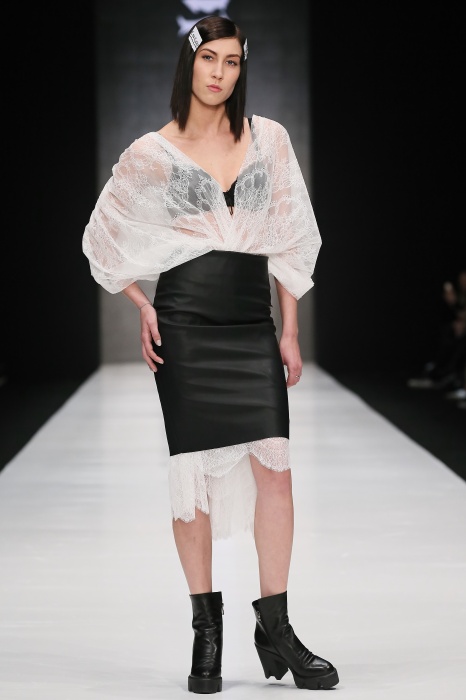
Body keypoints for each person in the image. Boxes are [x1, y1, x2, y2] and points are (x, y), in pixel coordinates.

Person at [82, 15, 339, 693]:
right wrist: (142, 307)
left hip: (252, 321)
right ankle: (206, 629)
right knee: (190, 476)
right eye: (209, 59)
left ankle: (276, 625)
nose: (220, 73)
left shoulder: (268, 139)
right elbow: (102, 237)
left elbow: (290, 236)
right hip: (187, 324)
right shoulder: (155, 151)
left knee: (276, 473)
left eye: (232, 61)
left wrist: (289, 330)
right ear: (189, 64)